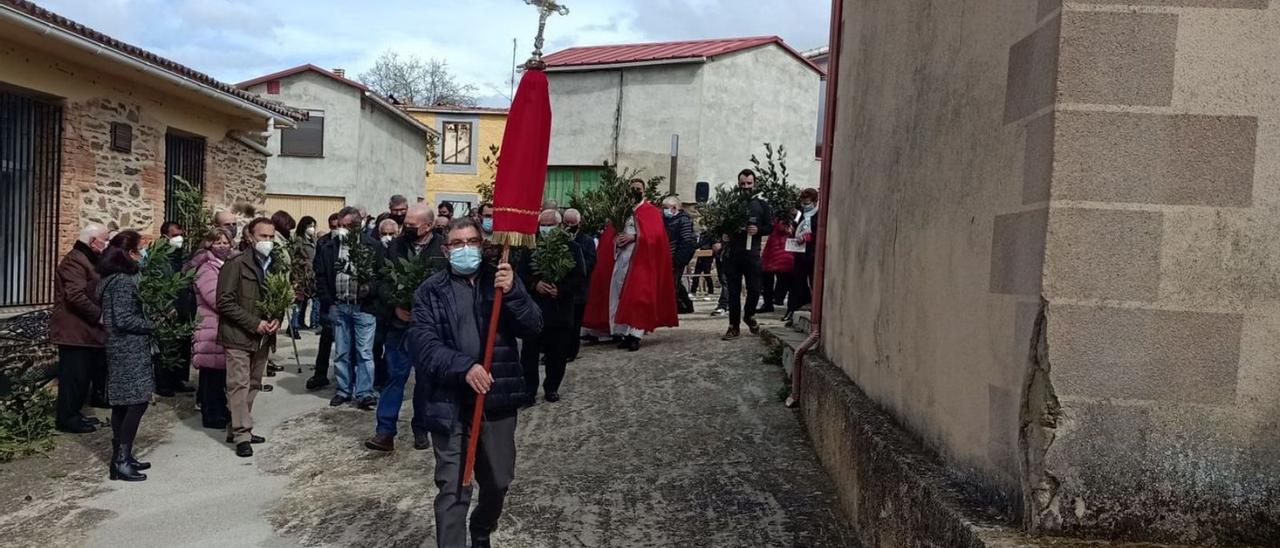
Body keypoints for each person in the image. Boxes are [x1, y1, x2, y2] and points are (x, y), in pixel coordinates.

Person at [406, 217, 542, 548]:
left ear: (482, 245)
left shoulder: (501, 281)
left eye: (472, 242)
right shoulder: (430, 292)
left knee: (497, 481)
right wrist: (464, 366)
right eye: (457, 243)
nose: (465, 248)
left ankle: (481, 528)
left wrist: (515, 293)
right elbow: (422, 343)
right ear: (445, 249)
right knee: (453, 486)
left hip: (496, 400)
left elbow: (534, 326)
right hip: (448, 402)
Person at [366, 204, 444, 452]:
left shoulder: (442, 249)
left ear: (429, 226)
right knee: (394, 377)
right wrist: (396, 306)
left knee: (425, 381)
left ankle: (421, 427)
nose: (406, 229)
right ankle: (385, 431)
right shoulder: (394, 247)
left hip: (430, 330)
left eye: (412, 225)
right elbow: (379, 282)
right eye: (405, 224)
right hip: (399, 326)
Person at [583, 179, 679, 351]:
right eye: (632, 189)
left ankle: (635, 334)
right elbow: (610, 235)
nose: (634, 191)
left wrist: (635, 237)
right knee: (618, 294)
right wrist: (616, 240)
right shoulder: (622, 211)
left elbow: (657, 237)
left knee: (638, 297)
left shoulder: (650, 211)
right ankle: (621, 332)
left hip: (642, 260)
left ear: (644, 191)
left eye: (638, 189)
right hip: (621, 259)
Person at [216, 218, 279, 458]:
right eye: (264, 237)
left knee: (253, 383)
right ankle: (243, 434)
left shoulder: (274, 264)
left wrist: (276, 319)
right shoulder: (236, 264)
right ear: (250, 237)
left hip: (263, 337)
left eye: (272, 237)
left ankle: (236, 426)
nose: (268, 242)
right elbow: (224, 302)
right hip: (238, 335)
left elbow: (278, 296)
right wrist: (254, 323)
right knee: (239, 385)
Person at [96, 231, 154, 481]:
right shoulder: (120, 281)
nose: (142, 255)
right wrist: (153, 323)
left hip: (126, 346)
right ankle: (120, 459)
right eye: (139, 250)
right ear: (128, 254)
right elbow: (122, 319)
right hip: (126, 348)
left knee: (124, 402)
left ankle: (123, 456)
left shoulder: (118, 278)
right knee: (137, 401)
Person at [520, 209, 587, 404]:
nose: (546, 229)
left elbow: (580, 278)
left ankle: (552, 387)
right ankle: (529, 390)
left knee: (557, 353)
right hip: (535, 309)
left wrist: (561, 290)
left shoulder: (572, 248)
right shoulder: (531, 246)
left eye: (551, 225)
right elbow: (521, 274)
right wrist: (535, 284)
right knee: (529, 354)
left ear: (560, 226)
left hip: (560, 310)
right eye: (544, 224)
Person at [314, 207, 379, 409]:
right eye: (339, 226)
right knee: (342, 352)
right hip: (340, 306)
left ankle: (364, 392)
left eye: (347, 226)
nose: (341, 230)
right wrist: (329, 303)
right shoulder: (329, 248)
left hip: (363, 308)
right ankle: (343, 390)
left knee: (364, 352)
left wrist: (369, 288)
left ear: (357, 226)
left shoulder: (373, 247)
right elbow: (322, 277)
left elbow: (381, 276)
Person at [51, 223, 109, 434]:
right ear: (93, 241)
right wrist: (99, 315)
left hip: (85, 331)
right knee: (73, 377)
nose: (107, 244)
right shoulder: (74, 260)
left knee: (82, 377)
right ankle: (67, 418)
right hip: (74, 331)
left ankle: (74, 414)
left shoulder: (87, 259)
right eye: (105, 239)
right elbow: (74, 295)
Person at [720, 170, 772, 341]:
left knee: (755, 289)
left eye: (749, 184)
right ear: (738, 184)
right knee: (733, 292)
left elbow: (769, 227)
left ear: (754, 183)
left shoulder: (762, 205)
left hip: (752, 254)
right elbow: (720, 225)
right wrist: (723, 235)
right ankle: (733, 326)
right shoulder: (730, 204)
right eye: (743, 184)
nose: (746, 187)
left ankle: (749, 315)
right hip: (733, 254)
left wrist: (758, 230)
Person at [191, 229, 233, 429]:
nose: (223, 246)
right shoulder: (207, 268)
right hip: (211, 326)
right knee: (211, 374)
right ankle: (211, 413)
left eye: (226, 242)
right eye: (218, 242)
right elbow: (215, 298)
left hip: (222, 325)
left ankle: (220, 408)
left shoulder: (226, 265)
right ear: (209, 244)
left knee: (220, 374)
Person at [153, 221, 197, 397]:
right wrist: (165, 306)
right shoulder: (159, 258)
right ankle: (164, 384)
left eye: (181, 235)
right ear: (165, 236)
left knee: (182, 346)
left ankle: (179, 379)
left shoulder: (183, 256)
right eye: (175, 235)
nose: (179, 239)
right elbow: (156, 284)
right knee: (167, 346)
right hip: (168, 309)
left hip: (184, 307)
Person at [306, 213, 343, 391]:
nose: (336, 230)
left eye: (339, 226)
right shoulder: (324, 243)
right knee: (327, 337)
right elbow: (318, 270)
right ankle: (320, 374)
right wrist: (326, 298)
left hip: (346, 297)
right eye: (333, 226)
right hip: (328, 297)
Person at [562, 209, 596, 362]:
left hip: (579, 289)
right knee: (561, 323)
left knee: (574, 324)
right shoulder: (559, 239)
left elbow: (590, 262)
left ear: (579, 223)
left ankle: (571, 351)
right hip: (562, 289)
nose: (569, 226)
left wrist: (572, 268)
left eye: (572, 223)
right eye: (566, 223)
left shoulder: (587, 241)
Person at [787, 188, 820, 322]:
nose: (805, 205)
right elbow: (798, 228)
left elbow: (819, 231)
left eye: (808, 202)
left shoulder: (818, 215)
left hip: (812, 255)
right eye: (803, 202)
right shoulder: (801, 216)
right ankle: (793, 309)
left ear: (814, 201)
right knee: (796, 282)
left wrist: (810, 237)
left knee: (813, 281)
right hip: (799, 254)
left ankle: (814, 306)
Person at [662, 196, 697, 314]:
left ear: (674, 208)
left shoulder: (683, 220)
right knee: (673, 283)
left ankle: (674, 308)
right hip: (666, 257)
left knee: (673, 283)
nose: (663, 210)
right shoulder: (667, 220)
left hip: (676, 257)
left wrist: (678, 260)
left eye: (665, 208)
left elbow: (686, 241)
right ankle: (684, 306)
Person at [760, 213, 796, 314]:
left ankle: (772, 302)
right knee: (781, 280)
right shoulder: (789, 223)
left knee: (772, 281)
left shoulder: (782, 223)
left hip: (779, 255)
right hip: (780, 255)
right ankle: (777, 299)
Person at [292, 216, 319, 332]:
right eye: (309, 226)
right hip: (302, 274)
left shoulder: (313, 239)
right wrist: (305, 263)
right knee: (299, 301)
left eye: (313, 226)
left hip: (312, 274)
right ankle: (294, 325)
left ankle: (301, 322)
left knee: (306, 301)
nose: (312, 229)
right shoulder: (299, 240)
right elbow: (295, 257)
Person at [691, 229, 717, 297]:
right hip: (700, 256)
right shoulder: (700, 236)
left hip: (707, 257)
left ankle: (710, 292)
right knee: (696, 274)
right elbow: (697, 245)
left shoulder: (710, 235)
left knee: (707, 274)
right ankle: (693, 291)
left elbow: (713, 246)